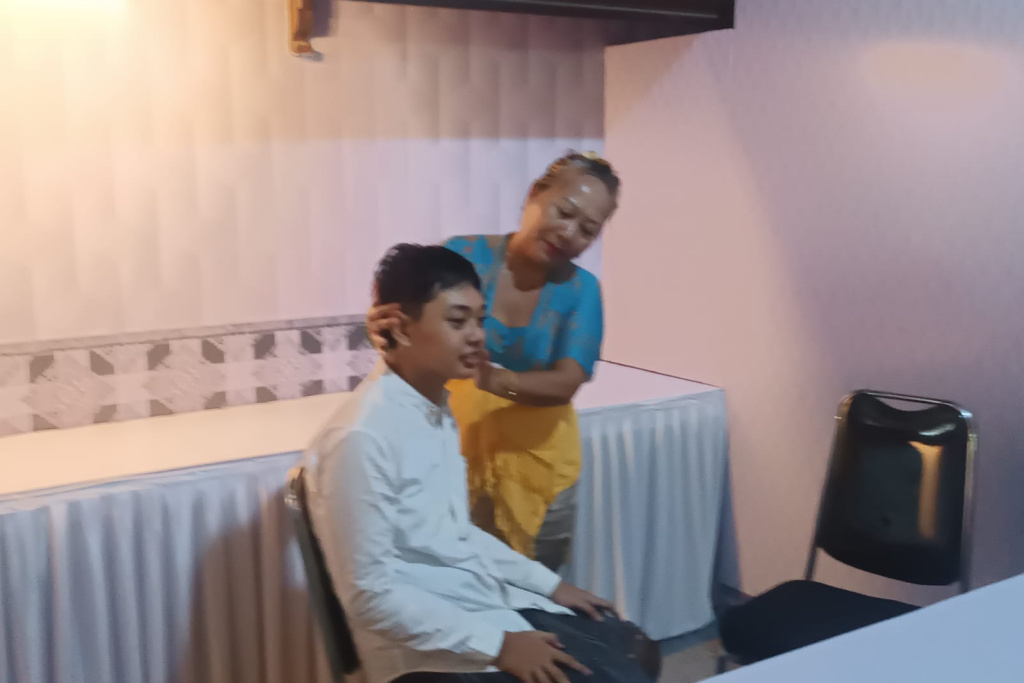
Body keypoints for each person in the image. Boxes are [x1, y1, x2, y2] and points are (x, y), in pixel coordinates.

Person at [303, 244, 658, 683]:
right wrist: (499, 645)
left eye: (479, 320)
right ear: (400, 328)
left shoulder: (434, 410)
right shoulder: (361, 436)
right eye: (457, 322)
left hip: (478, 607)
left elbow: (457, 535)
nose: (476, 336)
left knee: (633, 647)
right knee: (619, 675)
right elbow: (370, 597)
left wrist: (550, 586)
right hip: (424, 657)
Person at [366, 152, 619, 570]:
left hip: (539, 462)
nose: (569, 232)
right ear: (534, 194)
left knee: (533, 587)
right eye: (564, 212)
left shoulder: (583, 290)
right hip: (452, 449)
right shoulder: (463, 255)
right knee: (448, 576)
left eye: (587, 229)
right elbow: (407, 324)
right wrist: (384, 331)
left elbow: (566, 383)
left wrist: (490, 379)